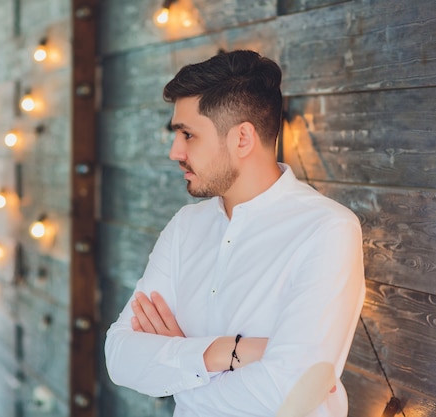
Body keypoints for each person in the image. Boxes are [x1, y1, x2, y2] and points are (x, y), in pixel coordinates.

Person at [105, 50, 365, 417]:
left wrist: (183, 363)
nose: (174, 152)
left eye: (188, 135)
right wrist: (225, 351)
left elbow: (287, 392)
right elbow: (120, 356)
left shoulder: (326, 230)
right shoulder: (185, 226)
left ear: (242, 138)